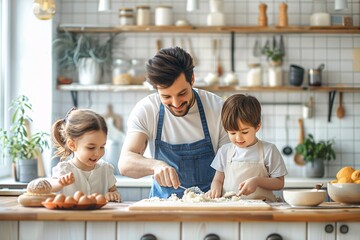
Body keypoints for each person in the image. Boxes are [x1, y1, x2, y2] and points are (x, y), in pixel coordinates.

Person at [119, 47, 229, 198]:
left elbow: (230, 163)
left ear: (192, 80)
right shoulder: (147, 109)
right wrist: (156, 165)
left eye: (182, 93)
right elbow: (125, 163)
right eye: (166, 97)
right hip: (163, 206)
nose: (176, 103)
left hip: (211, 204)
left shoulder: (218, 108)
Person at [206, 94, 287, 201]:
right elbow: (218, 180)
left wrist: (257, 181)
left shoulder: (269, 150)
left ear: (257, 126)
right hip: (230, 208)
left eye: (244, 132)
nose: (238, 137)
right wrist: (215, 190)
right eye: (232, 133)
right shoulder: (224, 151)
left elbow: (279, 183)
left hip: (262, 210)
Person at [51, 108, 121, 202]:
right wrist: (60, 183)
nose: (98, 153)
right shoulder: (64, 170)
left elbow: (114, 191)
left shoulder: (105, 169)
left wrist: (113, 195)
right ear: (72, 145)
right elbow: (50, 187)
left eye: (102, 147)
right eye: (91, 147)